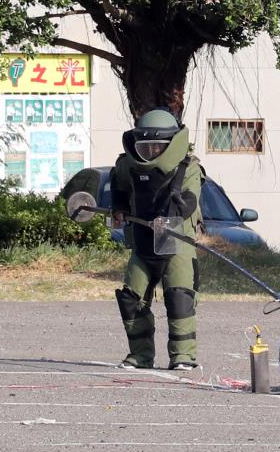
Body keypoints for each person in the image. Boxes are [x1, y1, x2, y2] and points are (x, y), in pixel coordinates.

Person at [110, 109, 203, 371]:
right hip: (142, 241)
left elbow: (190, 201)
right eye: (145, 146)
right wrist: (118, 208)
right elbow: (118, 186)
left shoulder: (189, 168)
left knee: (180, 298)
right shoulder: (127, 165)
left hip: (175, 241)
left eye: (157, 147)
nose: (150, 151)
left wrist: (171, 214)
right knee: (131, 298)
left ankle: (183, 355)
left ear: (172, 145)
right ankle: (140, 355)